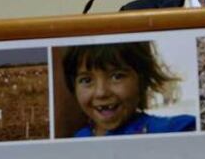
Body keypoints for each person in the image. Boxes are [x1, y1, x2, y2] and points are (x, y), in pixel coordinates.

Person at [63, 41, 196, 137]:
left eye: (117, 76)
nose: (101, 92)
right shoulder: (78, 138)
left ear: (141, 80)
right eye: (86, 80)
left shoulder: (174, 131)